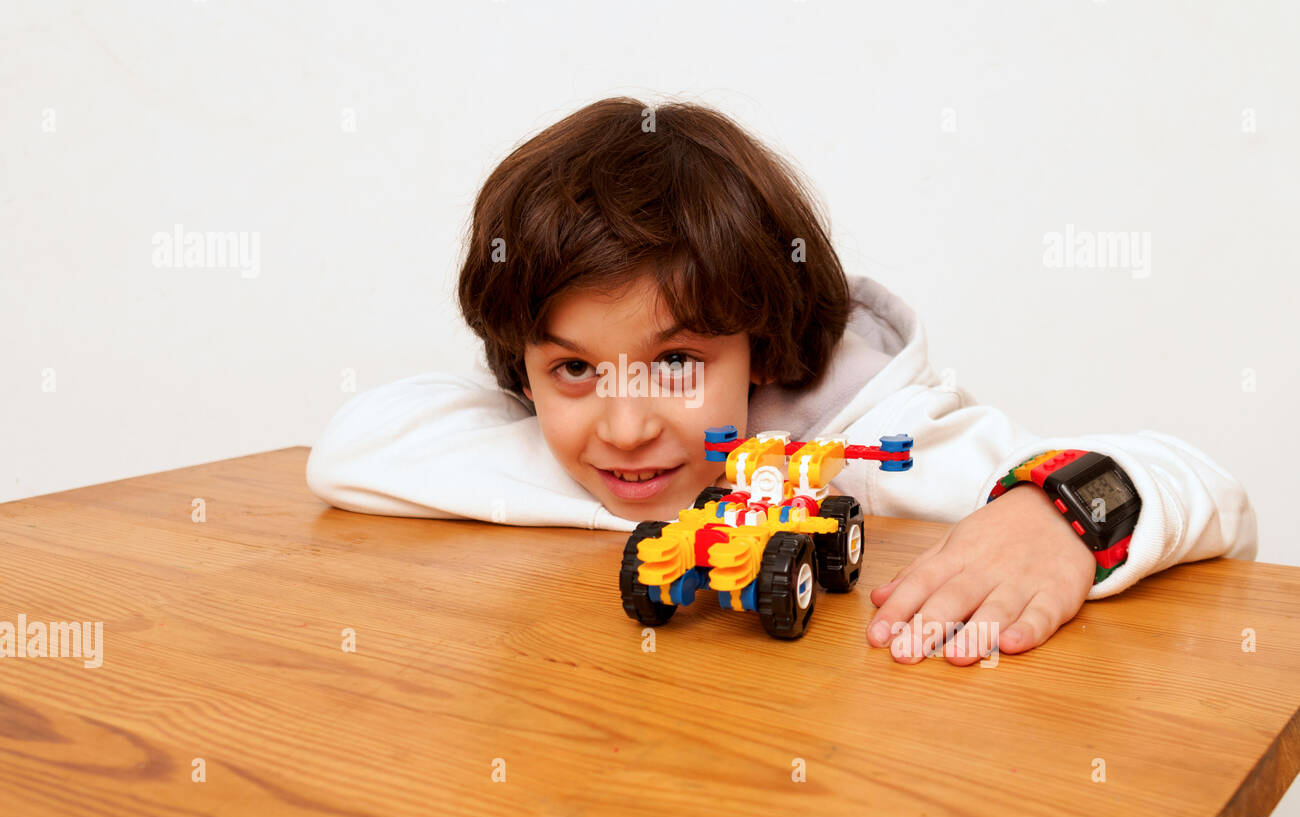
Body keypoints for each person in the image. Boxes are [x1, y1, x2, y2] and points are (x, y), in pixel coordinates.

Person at [306, 97, 1257, 663]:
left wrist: (1056, 512)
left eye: (677, 362)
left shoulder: (876, 449)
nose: (625, 427)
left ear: (759, 347)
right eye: (575, 367)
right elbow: (350, 450)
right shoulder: (566, 438)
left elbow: (1217, 495)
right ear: (522, 367)